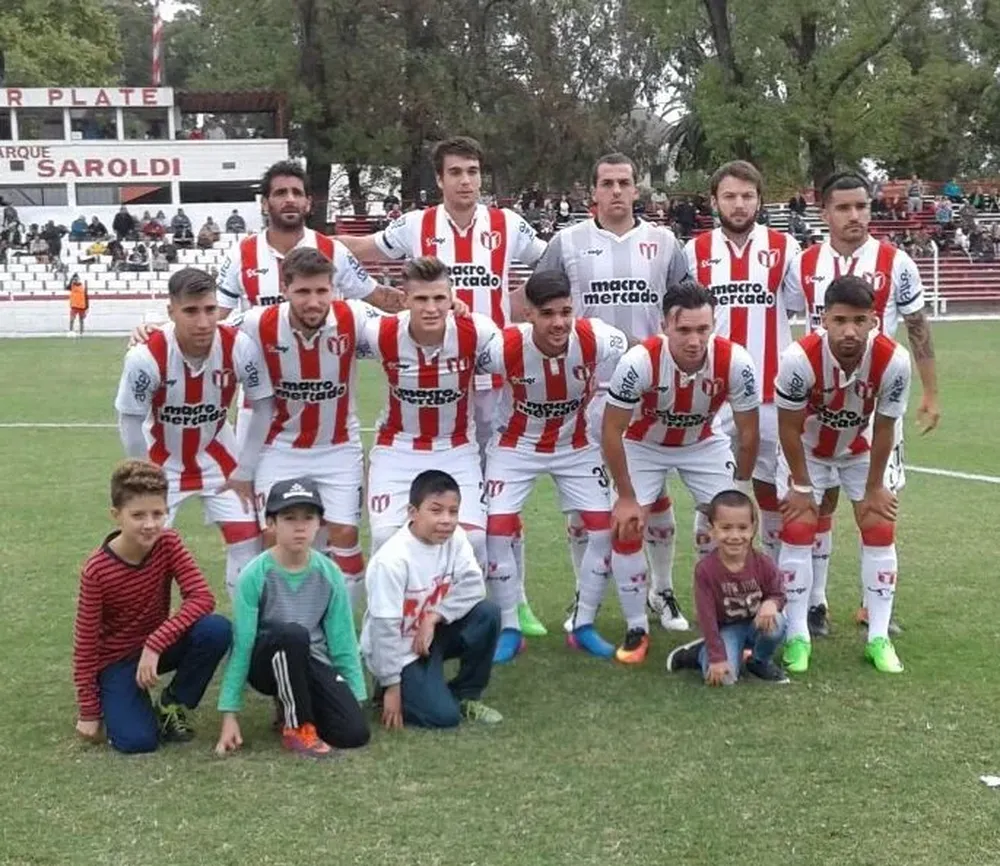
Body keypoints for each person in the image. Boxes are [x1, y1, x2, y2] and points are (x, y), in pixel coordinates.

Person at [337, 136, 549, 634]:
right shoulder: (416, 225)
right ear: (439, 179)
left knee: (497, 498)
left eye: (473, 171)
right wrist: (322, 246)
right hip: (436, 370)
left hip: (492, 377)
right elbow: (362, 250)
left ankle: (514, 600)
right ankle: (418, 602)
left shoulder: (507, 224)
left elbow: (553, 261)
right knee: (451, 504)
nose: (465, 181)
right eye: (455, 172)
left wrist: (519, 304)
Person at [535, 152, 692, 633]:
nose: (617, 191)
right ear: (593, 191)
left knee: (654, 498)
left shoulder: (664, 243)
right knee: (582, 504)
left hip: (648, 393)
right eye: (607, 183)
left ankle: (661, 590)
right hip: (586, 392)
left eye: (625, 182)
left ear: (636, 189)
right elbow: (540, 303)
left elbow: (684, 309)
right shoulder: (566, 243)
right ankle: (583, 595)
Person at [785, 172, 939, 636]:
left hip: (877, 405)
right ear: (824, 212)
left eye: (862, 206)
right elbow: (785, 320)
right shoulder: (803, 263)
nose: (855, 216)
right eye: (843, 207)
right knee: (821, 501)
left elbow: (917, 325)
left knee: (879, 503)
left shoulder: (896, 262)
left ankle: (874, 607)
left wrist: (931, 391)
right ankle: (816, 603)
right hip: (819, 408)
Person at [476, 269, 634, 663]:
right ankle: (509, 627)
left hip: (574, 445)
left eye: (566, 312)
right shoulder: (503, 347)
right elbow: (463, 361)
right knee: (496, 532)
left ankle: (583, 625)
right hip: (515, 446)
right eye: (547, 314)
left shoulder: (598, 337)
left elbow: (637, 351)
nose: (559, 323)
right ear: (528, 313)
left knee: (604, 531)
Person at [601, 280, 760, 664]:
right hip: (643, 444)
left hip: (702, 442)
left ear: (713, 325)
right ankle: (637, 625)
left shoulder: (735, 361)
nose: (694, 340)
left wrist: (739, 489)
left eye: (703, 329)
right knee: (627, 525)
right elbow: (611, 430)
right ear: (664, 326)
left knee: (731, 524)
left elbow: (749, 433)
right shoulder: (639, 362)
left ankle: (726, 620)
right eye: (684, 329)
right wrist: (626, 497)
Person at [774, 275, 911, 674]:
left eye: (859, 320)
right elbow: (788, 427)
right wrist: (801, 485)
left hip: (862, 449)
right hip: (808, 450)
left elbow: (885, 426)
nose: (849, 331)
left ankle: (878, 638)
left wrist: (875, 487)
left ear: (873, 321)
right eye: (839, 320)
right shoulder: (798, 358)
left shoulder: (894, 360)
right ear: (824, 320)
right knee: (798, 527)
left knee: (879, 524)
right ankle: (797, 636)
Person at [235, 247, 383, 608]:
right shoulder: (257, 322)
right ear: (284, 289)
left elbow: (407, 326)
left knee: (344, 534)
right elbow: (210, 331)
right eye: (303, 291)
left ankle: (339, 629)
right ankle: (281, 624)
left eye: (322, 291)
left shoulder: (354, 316)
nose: (314, 301)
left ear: (334, 288)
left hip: (338, 447)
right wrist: (151, 332)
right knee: (275, 536)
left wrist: (454, 310)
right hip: (279, 447)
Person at [115, 267, 274, 595]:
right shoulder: (145, 356)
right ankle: (149, 624)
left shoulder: (239, 346)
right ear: (171, 311)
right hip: (161, 463)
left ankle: (245, 624)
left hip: (220, 459)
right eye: (190, 311)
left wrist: (245, 469)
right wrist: (144, 477)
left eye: (210, 309)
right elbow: (130, 419)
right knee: (145, 547)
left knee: (248, 543)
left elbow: (263, 405)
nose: (203, 322)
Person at [685, 161, 803, 563]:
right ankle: (710, 580)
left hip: (771, 392)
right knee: (713, 493)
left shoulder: (785, 248)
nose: (739, 204)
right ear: (714, 200)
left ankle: (774, 576)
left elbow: (797, 306)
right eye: (730, 196)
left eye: (747, 196)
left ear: (760, 200)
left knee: (773, 490)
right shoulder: (695, 251)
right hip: (713, 395)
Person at [72, 460, 232, 754]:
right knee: (137, 741)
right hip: (118, 660)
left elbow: (202, 597)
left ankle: (172, 704)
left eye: (157, 514)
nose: (150, 524)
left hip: (156, 647)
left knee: (216, 629)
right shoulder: (96, 570)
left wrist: (155, 643)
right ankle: (121, 699)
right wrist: (88, 712)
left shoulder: (168, 542)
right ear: (116, 516)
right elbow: (86, 644)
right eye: (138, 515)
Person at [360, 256, 499, 571]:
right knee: (385, 539)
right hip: (397, 447)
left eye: (439, 298)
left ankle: (458, 603)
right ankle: (393, 604)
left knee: (474, 540)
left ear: (452, 298)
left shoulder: (477, 330)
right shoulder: (379, 332)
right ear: (405, 300)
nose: (431, 308)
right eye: (421, 299)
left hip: (456, 447)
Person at [214, 477, 369, 758]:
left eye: (308, 518)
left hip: (310, 660)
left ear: (319, 524)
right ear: (271, 524)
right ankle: (297, 728)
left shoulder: (329, 572)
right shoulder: (254, 574)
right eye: (289, 518)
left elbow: (343, 639)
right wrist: (229, 714)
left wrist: (353, 697)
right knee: (293, 634)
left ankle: (296, 705)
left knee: (354, 733)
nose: (300, 527)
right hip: (267, 663)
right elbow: (243, 644)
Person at [361, 470, 503, 729]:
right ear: (413, 512)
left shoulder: (456, 538)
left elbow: (474, 586)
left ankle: (466, 694)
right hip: (400, 648)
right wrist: (392, 685)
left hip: (431, 633)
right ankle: (387, 687)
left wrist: (434, 617)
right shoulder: (391, 561)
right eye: (436, 511)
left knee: (487, 614)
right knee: (443, 718)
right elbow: (384, 628)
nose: (446, 520)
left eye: (453, 511)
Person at [666, 489, 787, 684]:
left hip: (755, 624)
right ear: (712, 529)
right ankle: (698, 653)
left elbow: (778, 593)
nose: (735, 536)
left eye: (742, 528)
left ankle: (759, 661)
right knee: (725, 679)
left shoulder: (763, 563)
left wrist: (771, 603)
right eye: (726, 528)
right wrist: (717, 658)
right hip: (727, 628)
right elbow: (706, 617)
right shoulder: (706, 570)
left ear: (753, 529)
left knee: (777, 623)